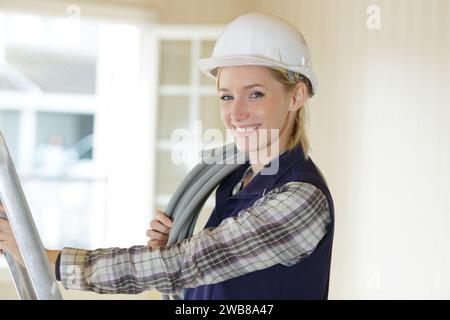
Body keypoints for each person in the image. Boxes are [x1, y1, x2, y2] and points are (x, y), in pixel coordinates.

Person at [0, 12, 334, 299]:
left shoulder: (300, 199)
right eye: (226, 97)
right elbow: (204, 275)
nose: (236, 113)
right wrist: (172, 245)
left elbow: (190, 264)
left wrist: (47, 260)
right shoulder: (238, 178)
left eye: (255, 94)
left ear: (297, 96)